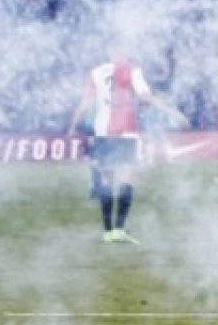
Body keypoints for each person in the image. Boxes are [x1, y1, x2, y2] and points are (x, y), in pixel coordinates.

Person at [67, 56, 188, 244]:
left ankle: (108, 232)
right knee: (126, 178)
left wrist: (73, 127)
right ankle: (119, 230)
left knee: (106, 182)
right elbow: (145, 97)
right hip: (125, 132)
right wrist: (171, 112)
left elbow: (86, 102)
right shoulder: (132, 70)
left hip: (102, 133)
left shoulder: (97, 72)